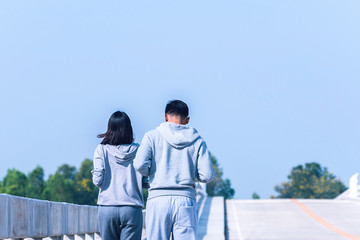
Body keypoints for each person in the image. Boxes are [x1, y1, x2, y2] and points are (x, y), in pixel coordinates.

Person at [134, 100, 215, 240]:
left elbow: (139, 164)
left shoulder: (152, 136)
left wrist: (151, 173)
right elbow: (207, 175)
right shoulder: (198, 141)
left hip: (158, 199)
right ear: (187, 119)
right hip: (185, 201)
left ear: (165, 117)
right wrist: (191, 172)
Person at [92, 111, 143, 240]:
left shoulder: (101, 149)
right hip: (132, 207)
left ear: (110, 128)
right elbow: (146, 180)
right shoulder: (138, 150)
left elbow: (97, 180)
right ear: (129, 128)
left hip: (107, 207)